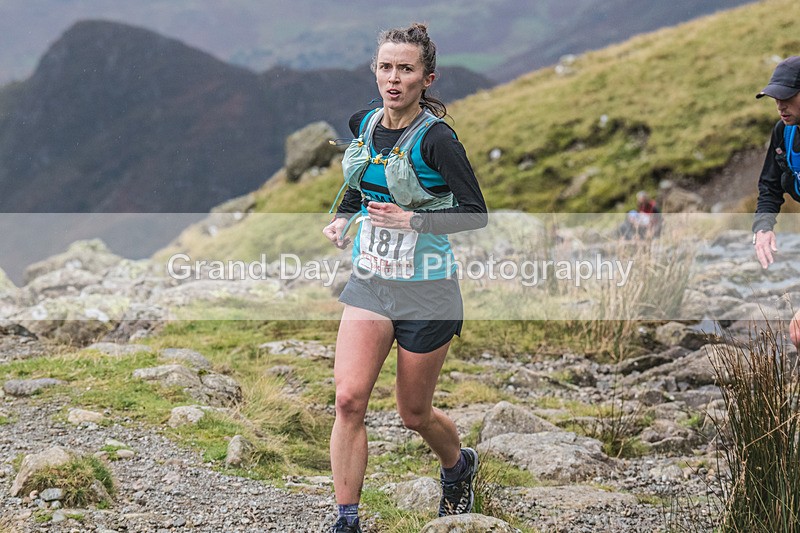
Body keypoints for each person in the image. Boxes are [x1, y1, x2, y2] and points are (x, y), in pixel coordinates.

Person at [321, 23, 487, 533]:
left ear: (426, 78)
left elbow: (474, 214)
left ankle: (458, 467)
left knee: (414, 414)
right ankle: (346, 519)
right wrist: (344, 216)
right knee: (348, 400)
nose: (394, 78)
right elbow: (364, 177)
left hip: (428, 291)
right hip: (372, 282)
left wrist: (412, 220)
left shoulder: (438, 141)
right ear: (375, 72)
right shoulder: (364, 124)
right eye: (386, 67)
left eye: (406, 70)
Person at [752, 56, 800, 347]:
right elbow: (769, 185)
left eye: (787, 97)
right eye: (774, 98)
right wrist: (763, 226)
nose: (780, 106)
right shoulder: (784, 131)